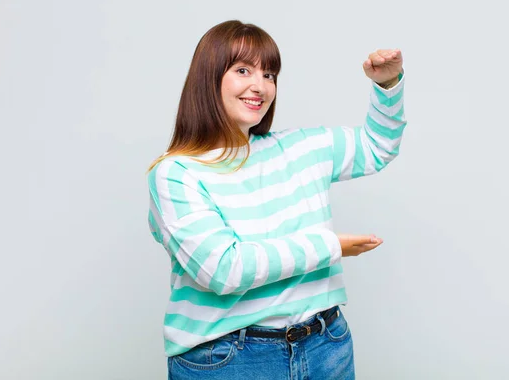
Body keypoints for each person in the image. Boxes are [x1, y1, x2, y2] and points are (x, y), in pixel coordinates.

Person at [147, 20, 405, 379]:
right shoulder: (175, 173)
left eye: (269, 75)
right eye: (242, 70)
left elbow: (377, 147)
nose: (260, 86)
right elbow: (224, 270)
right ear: (208, 78)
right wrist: (330, 246)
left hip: (325, 345)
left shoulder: (300, 147)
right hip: (229, 361)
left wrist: (388, 84)